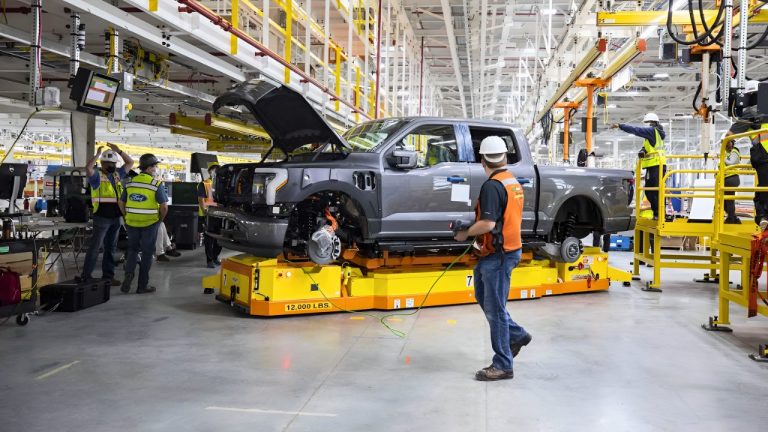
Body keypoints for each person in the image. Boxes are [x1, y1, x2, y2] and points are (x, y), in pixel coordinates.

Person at [453, 136, 532, 381]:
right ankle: (517, 334)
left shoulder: (492, 186)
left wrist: (465, 232)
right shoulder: (512, 182)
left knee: (495, 310)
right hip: (505, 250)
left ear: (482, 160)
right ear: (505, 157)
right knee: (484, 298)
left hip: (498, 256)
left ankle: (503, 365)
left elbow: (488, 223)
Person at [79, 143, 134, 285]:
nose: (111, 165)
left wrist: (119, 151)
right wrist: (97, 154)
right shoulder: (96, 177)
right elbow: (88, 168)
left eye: (113, 162)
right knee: (95, 247)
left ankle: (108, 276)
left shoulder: (118, 175)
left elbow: (130, 162)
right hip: (102, 218)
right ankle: (86, 276)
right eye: (108, 162)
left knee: (111, 248)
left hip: (116, 217)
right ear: (102, 163)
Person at [119, 154, 168, 294]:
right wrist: (160, 220)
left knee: (133, 250)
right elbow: (164, 207)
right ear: (149, 168)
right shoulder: (155, 184)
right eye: (155, 166)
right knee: (147, 253)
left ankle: (128, 275)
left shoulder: (130, 183)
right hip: (149, 224)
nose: (156, 169)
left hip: (131, 223)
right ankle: (142, 286)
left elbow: (121, 202)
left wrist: (126, 215)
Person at [611, 113, 667, 219]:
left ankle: (659, 214)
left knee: (653, 191)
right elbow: (649, 147)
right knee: (652, 190)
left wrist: (620, 125)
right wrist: (643, 150)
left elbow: (636, 130)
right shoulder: (654, 134)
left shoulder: (652, 131)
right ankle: (658, 213)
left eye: (646, 123)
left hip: (656, 165)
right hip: (654, 165)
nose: (645, 125)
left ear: (651, 123)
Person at [198, 163, 222, 268]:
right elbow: (201, 200)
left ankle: (215, 257)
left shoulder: (221, 185)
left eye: (217, 170)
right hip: (207, 215)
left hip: (219, 215)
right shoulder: (204, 184)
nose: (215, 172)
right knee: (209, 239)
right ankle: (209, 260)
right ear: (210, 171)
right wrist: (205, 212)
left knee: (219, 238)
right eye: (213, 170)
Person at [750, 120, 768, 230]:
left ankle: (763, 217)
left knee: (762, 190)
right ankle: (763, 217)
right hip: (762, 158)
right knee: (762, 190)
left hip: (762, 158)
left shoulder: (752, 119)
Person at [723, 140, 741, 224]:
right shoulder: (726, 153)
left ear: (732, 143)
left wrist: (722, 157)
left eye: (728, 143)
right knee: (723, 200)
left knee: (729, 199)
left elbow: (731, 163)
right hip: (725, 179)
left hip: (732, 178)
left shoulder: (735, 150)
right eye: (724, 143)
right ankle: (734, 218)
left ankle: (731, 219)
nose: (726, 145)